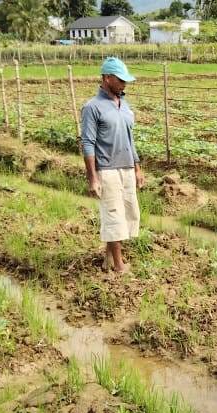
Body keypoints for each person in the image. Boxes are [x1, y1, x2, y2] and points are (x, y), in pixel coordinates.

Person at [81, 57, 145, 274]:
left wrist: (137, 168)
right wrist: (93, 177)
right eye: (120, 80)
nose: (124, 84)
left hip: (126, 167)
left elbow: (130, 139)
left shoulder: (125, 106)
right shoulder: (92, 107)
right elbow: (88, 142)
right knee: (114, 215)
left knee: (128, 213)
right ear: (107, 78)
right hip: (107, 169)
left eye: (126, 80)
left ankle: (109, 258)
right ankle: (118, 265)